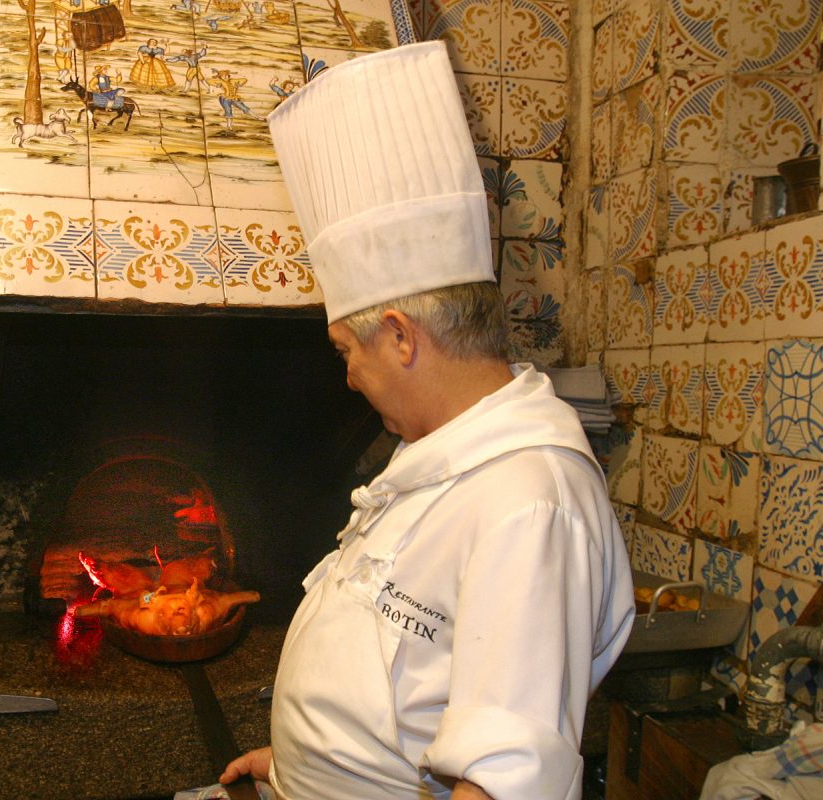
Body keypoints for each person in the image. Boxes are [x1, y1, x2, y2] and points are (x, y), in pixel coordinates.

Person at [218, 42, 635, 799]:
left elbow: (504, 784)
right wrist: (300, 767)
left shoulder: (528, 501)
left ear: (403, 336)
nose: (347, 377)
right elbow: (399, 686)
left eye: (347, 349)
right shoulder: (442, 463)